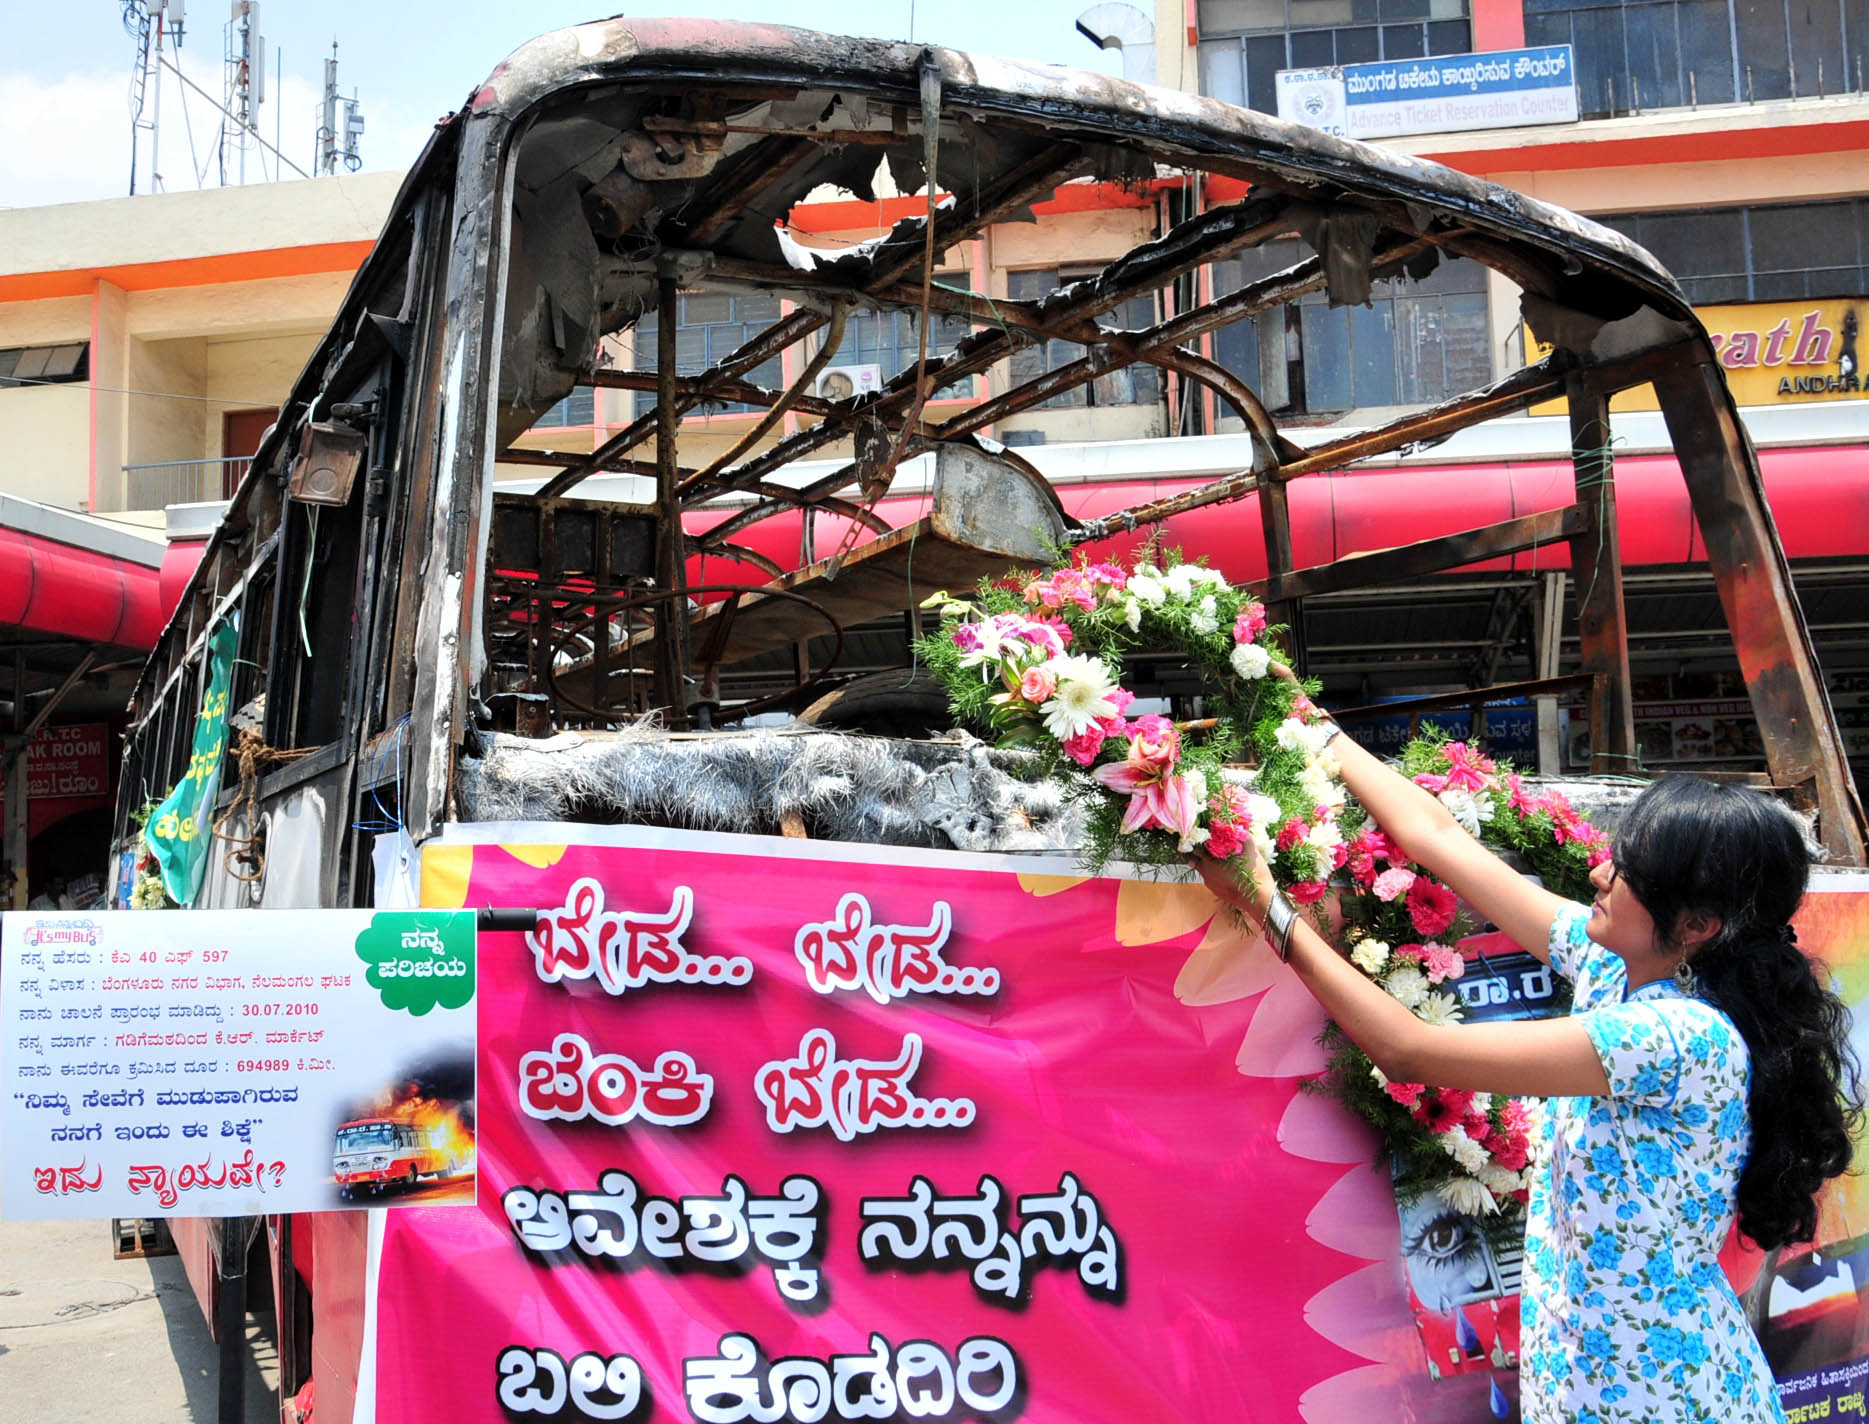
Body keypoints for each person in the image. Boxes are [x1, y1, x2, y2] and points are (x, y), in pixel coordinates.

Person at [1194, 699, 1860, 1424]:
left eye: (1630, 872)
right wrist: (1311, 722)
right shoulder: (1617, 969)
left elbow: (1408, 1047)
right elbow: (1439, 837)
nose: (1602, 873)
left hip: (1661, 1398)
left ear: (1696, 926)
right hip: (1590, 1380)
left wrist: (1263, 903)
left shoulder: (1679, 1038)